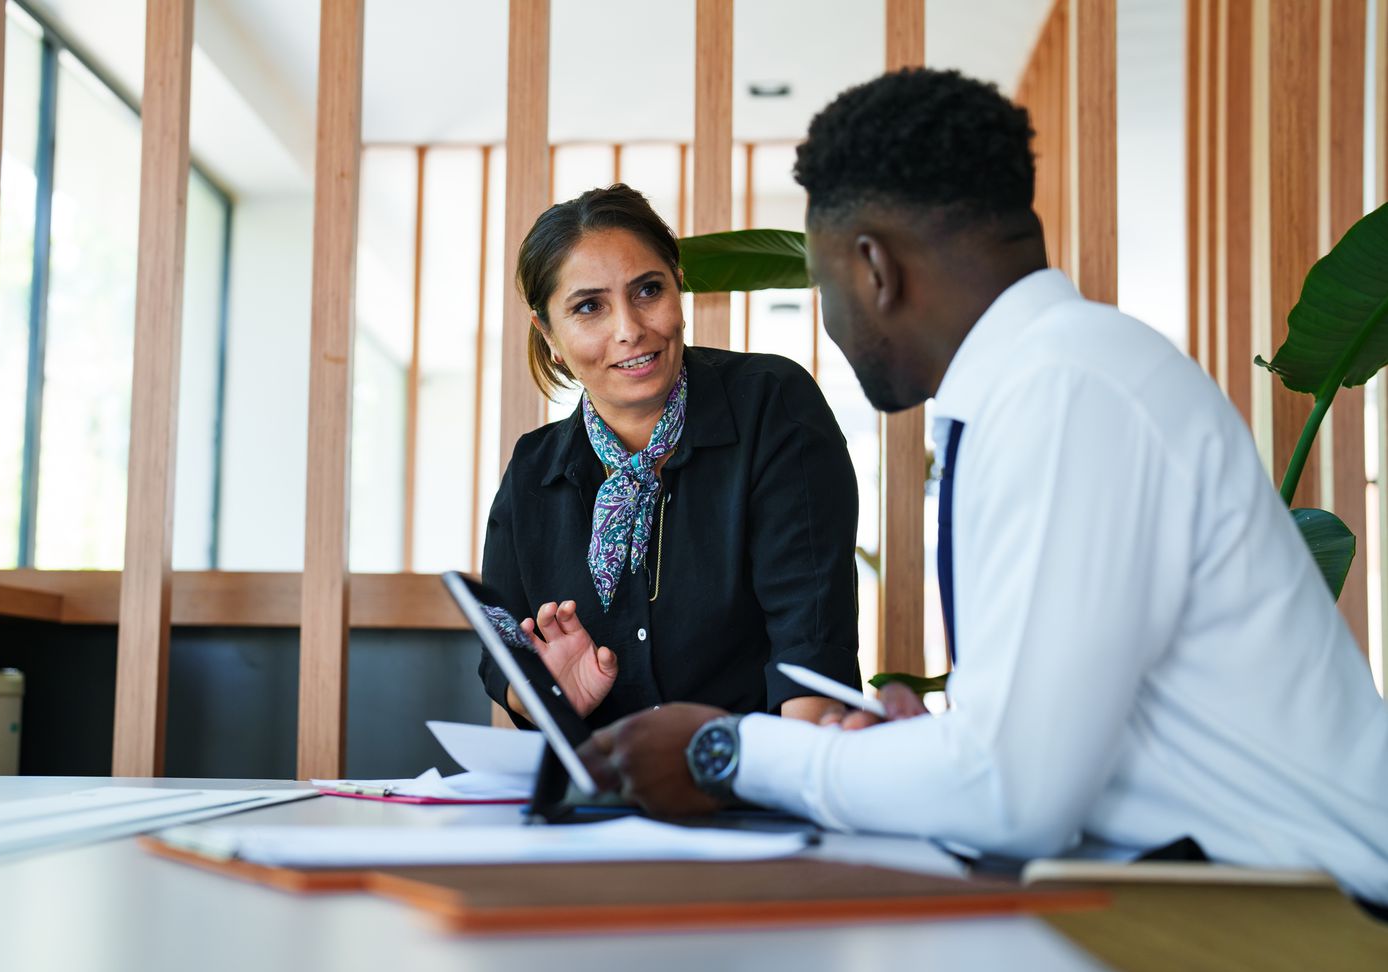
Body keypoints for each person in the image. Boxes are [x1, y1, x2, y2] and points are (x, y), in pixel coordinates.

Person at [574, 69, 1388, 908]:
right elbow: (1044, 755)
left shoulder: (1067, 393)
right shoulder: (1052, 378)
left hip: (1323, 924)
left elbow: (1013, 798)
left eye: (823, 284)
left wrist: (728, 751)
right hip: (1237, 898)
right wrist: (935, 752)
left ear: (874, 270)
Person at [478, 183, 862, 730]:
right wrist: (546, 693)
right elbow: (505, 665)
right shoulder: (533, 472)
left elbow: (812, 649)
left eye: (648, 290)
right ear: (550, 334)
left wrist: (787, 791)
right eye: (589, 307)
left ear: (678, 288)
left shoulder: (770, 403)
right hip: (598, 797)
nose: (630, 330)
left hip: (752, 789)